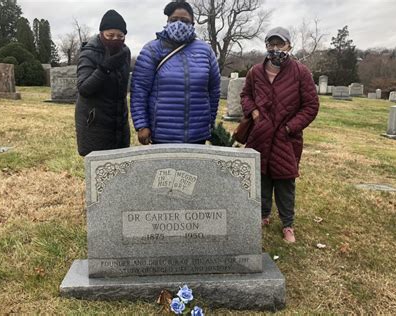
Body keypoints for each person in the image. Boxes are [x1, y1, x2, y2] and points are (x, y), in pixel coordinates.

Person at [240, 26, 319, 243]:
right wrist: (253, 111)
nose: (275, 48)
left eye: (280, 44)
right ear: (266, 46)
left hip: (286, 137)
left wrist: (289, 128)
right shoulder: (256, 71)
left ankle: (287, 224)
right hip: (260, 134)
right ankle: (263, 215)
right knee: (262, 176)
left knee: (285, 181)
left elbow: (311, 106)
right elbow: (246, 95)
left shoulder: (300, 72)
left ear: (289, 46)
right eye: (271, 44)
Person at [130, 0, 220, 145]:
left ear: (192, 23)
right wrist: (142, 125)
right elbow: (139, 90)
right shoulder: (152, 50)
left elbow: (214, 89)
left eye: (184, 20)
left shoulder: (206, 51)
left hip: (197, 134)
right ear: (167, 21)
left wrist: (209, 122)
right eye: (174, 20)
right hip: (162, 134)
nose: (179, 24)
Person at [75, 10, 131, 156]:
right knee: (99, 170)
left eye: (120, 36)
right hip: (95, 122)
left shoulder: (125, 52)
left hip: (119, 120)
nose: (115, 39)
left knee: (120, 166)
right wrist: (105, 68)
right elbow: (84, 89)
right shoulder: (89, 53)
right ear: (101, 34)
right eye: (110, 35)